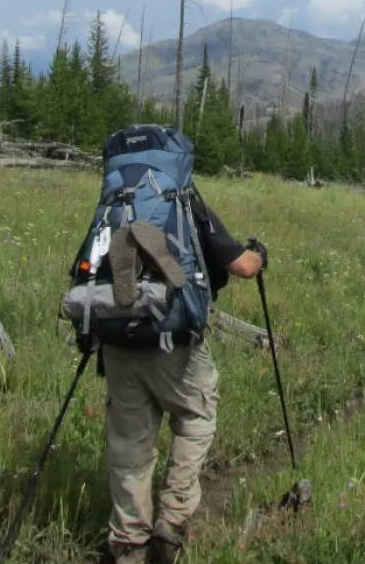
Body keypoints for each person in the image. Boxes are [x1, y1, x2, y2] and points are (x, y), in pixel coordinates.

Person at [99, 185, 266, 564]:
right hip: (170, 336)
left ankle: (128, 543)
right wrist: (261, 255)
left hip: (116, 334)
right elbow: (242, 266)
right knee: (197, 413)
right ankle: (171, 521)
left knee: (129, 443)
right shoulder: (183, 198)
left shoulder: (114, 201)